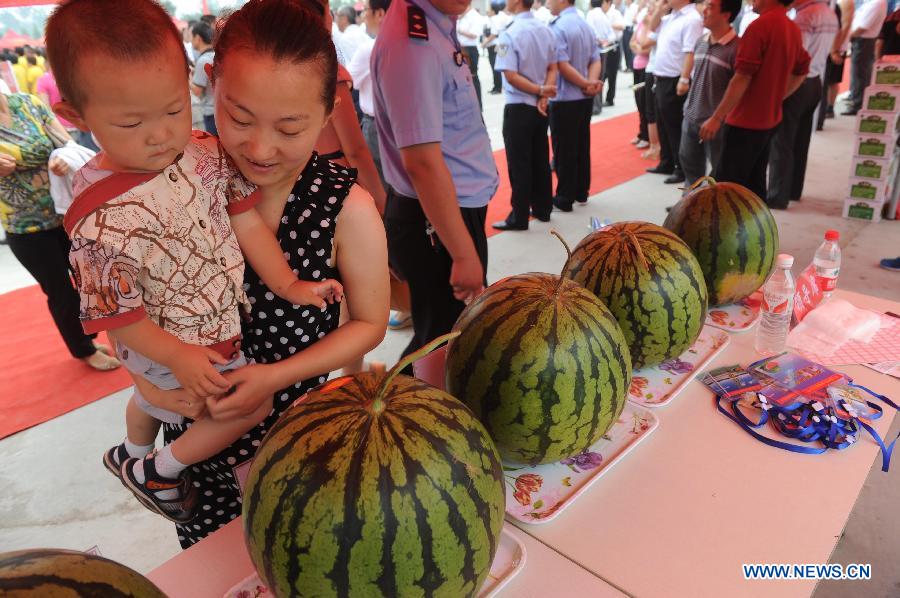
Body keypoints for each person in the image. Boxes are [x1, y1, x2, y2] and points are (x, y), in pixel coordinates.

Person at [46, 0, 345, 523]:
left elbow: (246, 220)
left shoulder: (203, 153)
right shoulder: (101, 221)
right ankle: (159, 468)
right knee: (241, 406)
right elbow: (118, 317)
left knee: (156, 402)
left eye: (173, 109)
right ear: (74, 115)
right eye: (132, 122)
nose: (161, 135)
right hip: (166, 340)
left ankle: (131, 454)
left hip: (210, 324)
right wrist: (179, 357)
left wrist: (290, 284)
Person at [130, 0, 389, 546]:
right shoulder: (171, 183)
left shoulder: (346, 208)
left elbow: (369, 324)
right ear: (208, 85)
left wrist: (272, 377)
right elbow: (128, 304)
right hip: (195, 430)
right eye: (239, 118)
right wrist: (149, 384)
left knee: (302, 555)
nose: (260, 148)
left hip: (299, 434)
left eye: (290, 128)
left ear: (327, 112)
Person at [373, 0, 499, 360]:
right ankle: (407, 410)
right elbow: (423, 163)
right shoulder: (413, 45)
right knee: (443, 344)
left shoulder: (437, 25)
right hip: (437, 221)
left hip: (446, 212)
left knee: (448, 334)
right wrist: (462, 252)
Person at [0, 92, 119, 371]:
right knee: (60, 291)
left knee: (93, 277)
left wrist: (64, 157)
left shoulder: (26, 104)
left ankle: (98, 334)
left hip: (67, 212)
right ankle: (83, 348)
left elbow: (64, 141)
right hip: (25, 227)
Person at [701, 0, 811, 203]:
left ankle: (724, 233)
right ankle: (758, 229)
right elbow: (803, 69)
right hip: (769, 120)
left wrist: (716, 117)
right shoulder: (791, 28)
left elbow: (742, 77)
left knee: (725, 190)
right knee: (754, 183)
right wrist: (777, 96)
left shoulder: (759, 27)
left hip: (745, 121)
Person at [492, 0, 558, 231]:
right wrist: (543, 94)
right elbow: (553, 67)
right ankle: (543, 208)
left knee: (519, 163)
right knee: (540, 158)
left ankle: (519, 216)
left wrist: (541, 92)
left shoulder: (508, 33)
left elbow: (510, 75)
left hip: (519, 105)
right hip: (539, 105)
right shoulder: (545, 28)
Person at [766, 0, 838, 207]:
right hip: (815, 81)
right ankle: (794, 190)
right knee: (801, 140)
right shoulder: (828, 13)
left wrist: (781, 89)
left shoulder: (804, 17)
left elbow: (797, 57)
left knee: (782, 141)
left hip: (798, 82)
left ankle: (778, 195)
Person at [678, 0, 740, 190]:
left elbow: (738, 89)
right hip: (691, 116)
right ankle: (690, 205)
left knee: (719, 174)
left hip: (716, 124)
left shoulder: (736, 48)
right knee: (689, 165)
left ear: (726, 14)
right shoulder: (701, 41)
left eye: (711, 6)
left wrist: (717, 118)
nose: (704, 10)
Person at [548, 0, 603, 212]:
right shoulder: (585, 24)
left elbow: (561, 65)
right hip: (584, 97)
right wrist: (589, 83)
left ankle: (564, 196)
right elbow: (595, 59)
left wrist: (585, 84)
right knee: (581, 144)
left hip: (565, 98)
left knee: (564, 149)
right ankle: (581, 191)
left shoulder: (558, 26)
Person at [645, 0, 703, 185]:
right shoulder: (671, 17)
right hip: (661, 77)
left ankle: (681, 167)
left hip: (675, 79)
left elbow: (690, 52)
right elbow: (651, 29)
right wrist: (659, 10)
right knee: (663, 123)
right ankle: (667, 161)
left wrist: (684, 79)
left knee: (675, 125)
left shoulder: (691, 18)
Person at [844, 0, 888, 115]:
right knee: (860, 72)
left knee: (859, 73)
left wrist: (847, 37)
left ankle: (858, 103)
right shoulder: (874, 3)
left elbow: (863, 27)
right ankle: (857, 100)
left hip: (864, 40)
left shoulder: (876, 3)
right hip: (863, 40)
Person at [817, 0, 854, 129]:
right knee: (828, 82)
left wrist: (835, 50)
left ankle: (827, 110)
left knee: (829, 82)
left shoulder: (842, 4)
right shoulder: (835, 5)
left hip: (832, 50)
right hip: (831, 49)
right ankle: (826, 110)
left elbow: (843, 27)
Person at [587, 0, 615, 115]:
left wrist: (598, 39)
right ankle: (598, 105)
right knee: (600, 77)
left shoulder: (591, 14)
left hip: (594, 51)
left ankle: (595, 106)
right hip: (605, 50)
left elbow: (590, 31)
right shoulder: (604, 16)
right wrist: (606, 41)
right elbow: (611, 34)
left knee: (593, 77)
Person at [189, 21, 217, 135]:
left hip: (210, 112)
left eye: (192, 37)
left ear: (198, 38)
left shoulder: (203, 60)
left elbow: (197, 91)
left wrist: (188, 78)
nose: (191, 41)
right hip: (220, 110)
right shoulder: (215, 55)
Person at [458, 3, 486, 109]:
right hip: (461, 48)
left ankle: (478, 105)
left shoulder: (474, 16)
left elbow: (475, 34)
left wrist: (460, 31)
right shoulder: (462, 16)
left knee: (473, 77)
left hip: (470, 49)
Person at [484, 1, 513, 94]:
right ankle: (499, 86)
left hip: (497, 45)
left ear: (493, 10)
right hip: (503, 44)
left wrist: (483, 43)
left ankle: (498, 87)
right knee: (502, 66)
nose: (488, 11)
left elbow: (494, 34)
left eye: (489, 9)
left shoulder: (495, 18)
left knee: (496, 66)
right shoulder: (504, 16)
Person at [601, 0, 626, 106]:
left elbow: (622, 26)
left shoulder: (615, 13)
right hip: (603, 47)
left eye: (602, 3)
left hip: (613, 46)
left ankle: (610, 99)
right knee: (603, 73)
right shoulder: (600, 13)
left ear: (608, 2)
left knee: (612, 74)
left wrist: (609, 25)